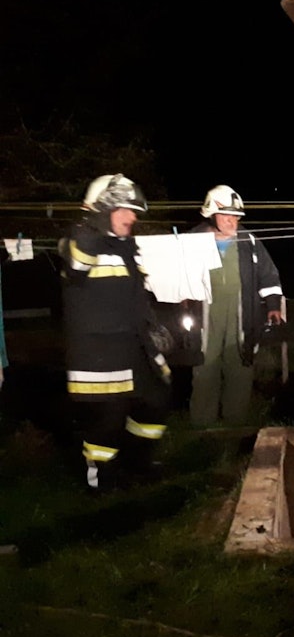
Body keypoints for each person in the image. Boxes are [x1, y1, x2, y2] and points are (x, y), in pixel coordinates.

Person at [60, 174, 171, 491]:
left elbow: (136, 297)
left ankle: (137, 462)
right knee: (108, 421)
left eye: (133, 211)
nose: (132, 217)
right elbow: (78, 264)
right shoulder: (77, 241)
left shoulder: (126, 247)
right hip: (99, 356)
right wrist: (94, 220)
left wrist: (154, 328)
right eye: (124, 209)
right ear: (102, 208)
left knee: (156, 402)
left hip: (134, 347)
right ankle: (100, 478)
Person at [188, 185, 285, 426]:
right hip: (205, 315)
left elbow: (268, 274)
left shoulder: (249, 242)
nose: (232, 221)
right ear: (212, 215)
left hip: (242, 313)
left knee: (240, 365)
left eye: (236, 216)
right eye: (226, 216)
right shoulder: (192, 241)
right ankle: (202, 423)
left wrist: (273, 305)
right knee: (204, 367)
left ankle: (235, 422)